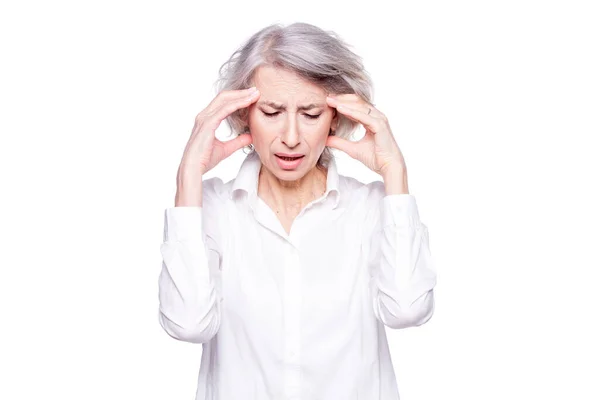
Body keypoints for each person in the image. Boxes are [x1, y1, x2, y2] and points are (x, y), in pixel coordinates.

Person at [158, 22, 437, 400]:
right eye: (272, 112)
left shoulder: (370, 207)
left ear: (335, 118)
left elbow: (407, 310)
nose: (291, 137)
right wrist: (187, 177)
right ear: (244, 115)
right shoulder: (211, 208)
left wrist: (395, 174)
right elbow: (188, 324)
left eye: (310, 113)